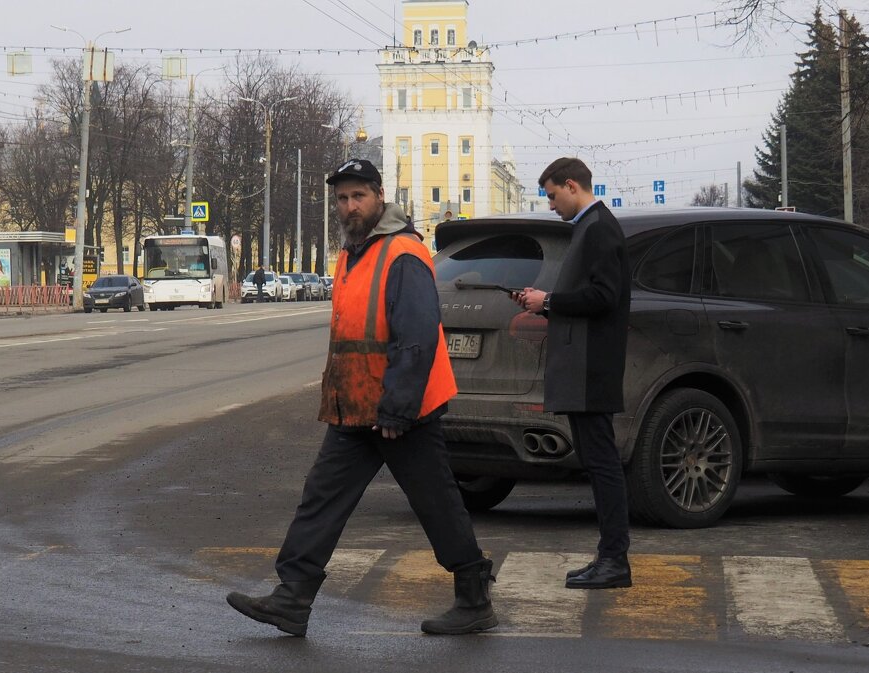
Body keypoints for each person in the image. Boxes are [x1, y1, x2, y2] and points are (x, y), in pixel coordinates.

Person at [226, 158, 498, 636]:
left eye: (358, 197)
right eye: (342, 199)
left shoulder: (403, 253)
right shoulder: (352, 254)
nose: (349, 206)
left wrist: (398, 406)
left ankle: (474, 600)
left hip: (401, 411)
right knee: (320, 499)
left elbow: (416, 338)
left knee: (436, 502)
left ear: (379, 196)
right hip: (354, 409)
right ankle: (292, 597)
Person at [513, 157, 633, 590]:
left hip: (591, 366)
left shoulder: (598, 226)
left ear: (570, 185)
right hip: (584, 364)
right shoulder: (591, 225)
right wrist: (544, 300)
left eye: (551, 195)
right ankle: (609, 556)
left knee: (602, 465)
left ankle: (615, 560)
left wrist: (549, 302)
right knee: (597, 463)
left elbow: (603, 295)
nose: (550, 205)